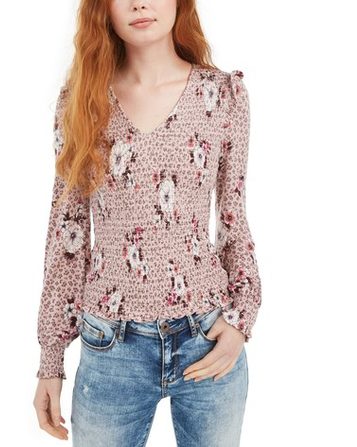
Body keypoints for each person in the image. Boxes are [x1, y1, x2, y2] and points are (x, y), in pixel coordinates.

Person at [33, 1, 262, 445]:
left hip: (208, 338)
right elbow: (67, 236)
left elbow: (233, 218)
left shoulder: (222, 96)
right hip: (110, 346)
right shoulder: (81, 101)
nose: (139, 3)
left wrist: (240, 321)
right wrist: (50, 360)